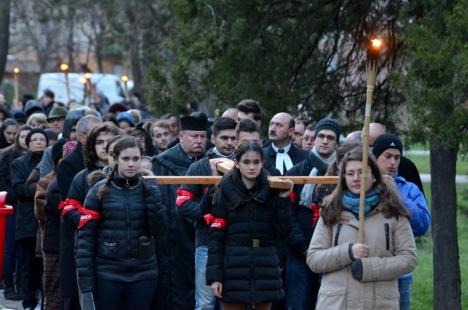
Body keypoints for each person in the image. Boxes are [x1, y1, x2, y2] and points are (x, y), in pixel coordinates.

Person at [307, 148, 417, 309]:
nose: (356, 178)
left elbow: (409, 259)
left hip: (379, 303)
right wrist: (348, 252)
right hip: (337, 303)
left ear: (373, 176)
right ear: (343, 177)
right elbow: (314, 259)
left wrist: (369, 268)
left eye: (362, 172)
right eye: (350, 173)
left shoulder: (392, 211)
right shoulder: (332, 210)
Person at [76, 136, 168, 310]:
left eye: (136, 159)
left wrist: (153, 195)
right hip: (108, 273)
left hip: (144, 273)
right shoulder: (99, 190)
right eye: (126, 159)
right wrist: (85, 281)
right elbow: (85, 238)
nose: (131, 164)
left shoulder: (150, 189)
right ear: (116, 159)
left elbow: (160, 230)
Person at [206, 142, 292, 310]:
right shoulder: (225, 189)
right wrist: (215, 277)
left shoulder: (273, 190)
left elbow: (283, 232)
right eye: (246, 162)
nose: (252, 167)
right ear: (237, 163)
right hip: (232, 268)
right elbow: (216, 237)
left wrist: (283, 200)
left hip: (264, 266)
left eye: (256, 162)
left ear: (262, 163)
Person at [176, 117, 237, 310]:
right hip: (206, 242)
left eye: (233, 138)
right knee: (205, 304)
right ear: (214, 138)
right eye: (224, 138)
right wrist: (206, 216)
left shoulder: (246, 163)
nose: (229, 142)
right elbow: (182, 203)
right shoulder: (200, 166)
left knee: (233, 301)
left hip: (236, 244)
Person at [152, 115, 208, 309]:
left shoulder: (212, 163)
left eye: (203, 136)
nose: (199, 141)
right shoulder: (162, 163)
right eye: (194, 136)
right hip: (174, 237)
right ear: (181, 135)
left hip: (205, 234)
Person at [285, 117, 341, 309]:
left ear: (336, 143)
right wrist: (302, 246)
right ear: (315, 138)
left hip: (331, 252)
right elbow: (286, 214)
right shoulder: (296, 172)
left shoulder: (343, 175)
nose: (325, 141)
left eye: (330, 138)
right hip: (299, 251)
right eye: (321, 136)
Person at [372, 133, 430, 309]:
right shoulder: (362, 186)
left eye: (397, 158)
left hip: (400, 273)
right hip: (369, 269)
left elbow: (422, 224)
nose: (393, 162)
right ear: (375, 157)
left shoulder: (409, 188)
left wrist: (395, 192)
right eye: (387, 156)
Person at [11, 128, 49, 309]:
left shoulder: (51, 162)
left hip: (46, 221)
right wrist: (43, 188)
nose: (39, 142)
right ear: (27, 143)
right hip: (26, 221)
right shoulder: (19, 163)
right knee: (28, 266)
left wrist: (35, 188)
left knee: (45, 266)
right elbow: (19, 190)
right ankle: (28, 302)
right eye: (35, 139)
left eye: (42, 139)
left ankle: (44, 300)